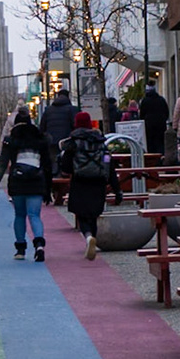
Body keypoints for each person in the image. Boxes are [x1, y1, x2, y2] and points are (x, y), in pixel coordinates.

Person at [0, 105, 53, 261]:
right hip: (36, 181)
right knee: (35, 215)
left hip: (17, 181)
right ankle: (39, 245)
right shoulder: (40, 139)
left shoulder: (11, 141)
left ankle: (20, 249)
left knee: (19, 215)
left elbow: (2, 163)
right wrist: (48, 188)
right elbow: (47, 165)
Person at [61, 111, 110, 259]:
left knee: (82, 214)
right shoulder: (100, 141)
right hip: (98, 182)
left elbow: (66, 166)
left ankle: (88, 236)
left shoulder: (73, 141)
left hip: (80, 181)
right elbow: (108, 160)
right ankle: (92, 237)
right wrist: (112, 182)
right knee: (93, 215)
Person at [39, 89, 77, 203]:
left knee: (53, 167)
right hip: (66, 143)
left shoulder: (48, 110)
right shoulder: (72, 109)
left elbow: (42, 127)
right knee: (67, 166)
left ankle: (53, 190)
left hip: (51, 143)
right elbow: (75, 125)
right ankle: (64, 190)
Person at [139, 80, 170, 158]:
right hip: (161, 125)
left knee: (150, 143)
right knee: (160, 143)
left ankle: (152, 158)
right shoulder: (161, 100)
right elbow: (166, 112)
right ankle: (161, 157)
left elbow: (142, 114)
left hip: (149, 126)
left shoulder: (144, 101)